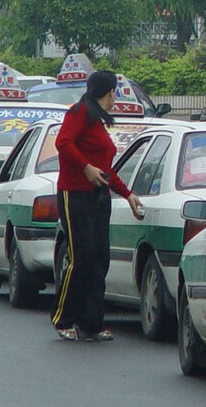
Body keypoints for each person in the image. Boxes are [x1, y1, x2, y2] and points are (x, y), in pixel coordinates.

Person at [51, 69, 144, 341]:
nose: (116, 97)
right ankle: (63, 318)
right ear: (111, 91)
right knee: (81, 258)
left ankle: (91, 322)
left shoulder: (98, 121)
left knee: (100, 259)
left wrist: (127, 194)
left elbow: (105, 170)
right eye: (116, 92)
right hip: (74, 195)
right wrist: (86, 168)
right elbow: (63, 142)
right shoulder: (79, 113)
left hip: (99, 198)